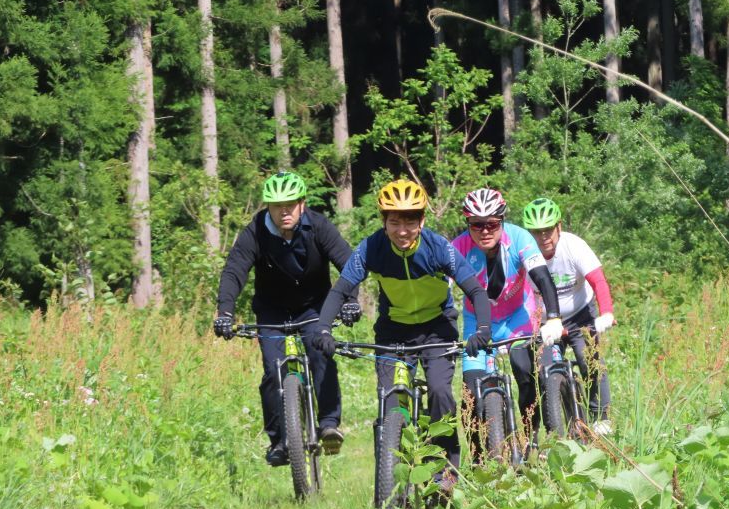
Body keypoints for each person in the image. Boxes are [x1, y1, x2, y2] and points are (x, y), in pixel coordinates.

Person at [312, 179, 492, 486]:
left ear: (422, 220)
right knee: (390, 400)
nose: (402, 231)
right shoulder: (372, 248)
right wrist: (324, 328)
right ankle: (389, 474)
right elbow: (341, 289)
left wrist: (484, 329)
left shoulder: (438, 248)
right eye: (394, 222)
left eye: (410, 221)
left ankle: (445, 470)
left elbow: (475, 289)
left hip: (437, 329)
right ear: (384, 222)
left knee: (438, 390)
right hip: (394, 332)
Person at [213, 171, 361, 467]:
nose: (284, 211)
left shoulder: (319, 226)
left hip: (315, 307)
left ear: (302, 203)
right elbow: (234, 271)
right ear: (267, 206)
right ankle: (280, 440)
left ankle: (329, 423)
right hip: (272, 309)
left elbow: (350, 264)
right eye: (276, 205)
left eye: (290, 204)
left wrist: (350, 301)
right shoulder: (255, 231)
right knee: (272, 370)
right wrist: (225, 311)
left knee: (321, 352)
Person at [451, 188, 563, 459]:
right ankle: (479, 460)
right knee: (471, 390)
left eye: (492, 224)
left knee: (526, 375)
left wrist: (554, 318)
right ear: (468, 224)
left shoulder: (520, 238)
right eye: (477, 225)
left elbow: (542, 277)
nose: (485, 231)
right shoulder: (457, 248)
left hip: (518, 316)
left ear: (502, 220)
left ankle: (530, 438)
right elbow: (441, 292)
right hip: (477, 322)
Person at [523, 197, 615, 435]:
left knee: (590, 362)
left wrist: (606, 313)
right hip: (544, 323)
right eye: (536, 232)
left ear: (558, 227)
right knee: (542, 372)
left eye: (547, 230)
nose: (543, 237)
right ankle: (553, 429)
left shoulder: (574, 246)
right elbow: (521, 297)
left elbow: (598, 281)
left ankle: (600, 418)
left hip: (580, 315)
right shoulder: (525, 254)